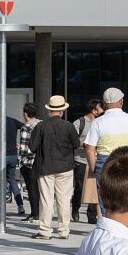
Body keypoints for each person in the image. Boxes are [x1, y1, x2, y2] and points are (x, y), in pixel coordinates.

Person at [84, 88, 128, 215]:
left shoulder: (98, 122)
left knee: (106, 200)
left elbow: (90, 149)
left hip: (105, 161)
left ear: (104, 103)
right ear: (121, 101)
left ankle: (109, 224)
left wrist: (93, 168)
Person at [30, 96, 79, 240]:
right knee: (63, 199)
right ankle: (64, 230)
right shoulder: (68, 126)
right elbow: (76, 144)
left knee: (46, 200)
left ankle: (45, 230)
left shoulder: (41, 126)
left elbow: (32, 147)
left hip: (45, 167)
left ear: (49, 110)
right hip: (65, 167)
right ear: (63, 110)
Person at [75, 99, 104, 224]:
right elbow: (72, 141)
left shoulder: (102, 122)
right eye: (100, 108)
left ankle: (91, 215)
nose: (103, 110)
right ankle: (75, 207)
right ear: (94, 111)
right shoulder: (79, 123)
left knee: (94, 188)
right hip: (81, 159)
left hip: (96, 158)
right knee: (80, 187)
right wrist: (85, 145)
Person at [20, 103, 42, 224]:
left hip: (29, 162)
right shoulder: (41, 124)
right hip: (41, 160)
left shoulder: (26, 127)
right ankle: (40, 212)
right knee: (40, 188)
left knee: (31, 188)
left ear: (25, 114)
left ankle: (35, 213)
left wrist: (22, 160)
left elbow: (24, 147)